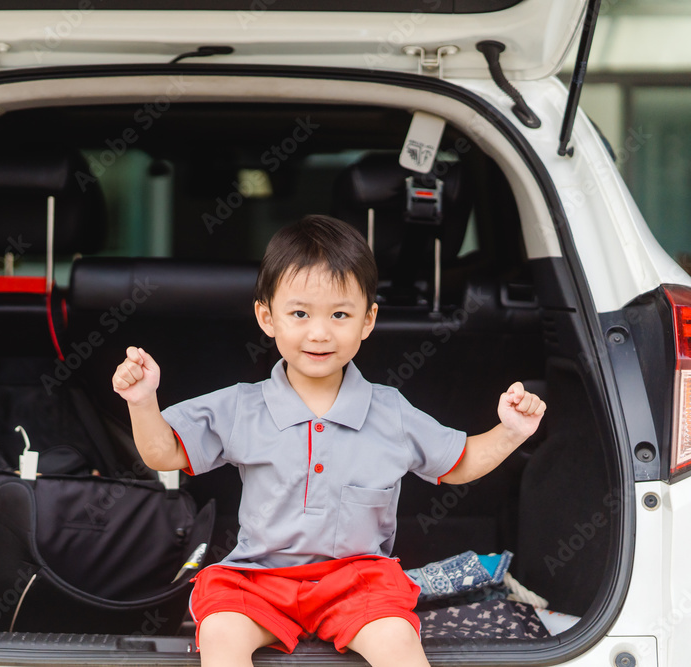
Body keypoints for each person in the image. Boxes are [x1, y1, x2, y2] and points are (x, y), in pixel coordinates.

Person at [110, 214, 546, 667]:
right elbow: (163, 452)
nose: (319, 332)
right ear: (267, 317)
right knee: (221, 629)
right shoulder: (242, 407)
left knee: (397, 639)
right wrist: (143, 401)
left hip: (358, 583)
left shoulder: (390, 411)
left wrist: (510, 432)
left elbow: (460, 463)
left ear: (368, 320)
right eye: (300, 314)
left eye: (340, 314)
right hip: (259, 579)